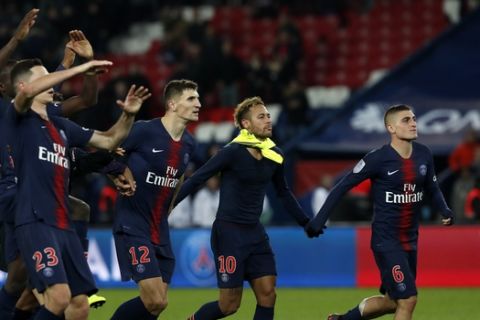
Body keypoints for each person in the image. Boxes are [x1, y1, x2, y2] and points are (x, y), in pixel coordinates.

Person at [5, 57, 150, 320]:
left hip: (65, 225)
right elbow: (25, 94)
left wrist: (128, 115)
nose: (52, 83)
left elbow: (109, 140)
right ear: (25, 85)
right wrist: (79, 69)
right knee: (58, 297)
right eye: (44, 78)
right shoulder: (17, 119)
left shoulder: (61, 126)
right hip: (36, 221)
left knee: (79, 307)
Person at [305, 104, 454, 320]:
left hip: (410, 241)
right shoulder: (377, 158)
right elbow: (342, 186)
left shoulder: (424, 154)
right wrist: (319, 220)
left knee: (394, 302)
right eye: (406, 120)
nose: (413, 123)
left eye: (413, 118)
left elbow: (432, 186)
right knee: (408, 298)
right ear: (391, 128)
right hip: (386, 241)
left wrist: (444, 209)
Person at [174, 96, 310, 320]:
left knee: (268, 295)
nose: (268, 120)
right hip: (229, 233)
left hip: (255, 233)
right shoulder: (232, 152)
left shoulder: (274, 154)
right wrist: (168, 205)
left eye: (268, 115)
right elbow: (197, 178)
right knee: (229, 305)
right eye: (261, 117)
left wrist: (305, 222)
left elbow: (283, 192)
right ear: (246, 124)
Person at [110, 79, 200, 320]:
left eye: (198, 98)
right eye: (191, 99)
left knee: (157, 305)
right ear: (172, 104)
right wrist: (121, 174)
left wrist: (169, 208)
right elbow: (109, 152)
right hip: (132, 224)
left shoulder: (189, 143)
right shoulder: (144, 130)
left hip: (160, 228)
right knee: (155, 299)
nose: (198, 104)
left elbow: (178, 178)